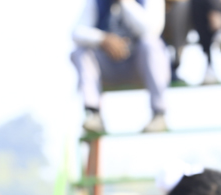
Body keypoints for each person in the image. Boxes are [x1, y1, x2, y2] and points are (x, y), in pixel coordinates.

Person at [71, 0, 169, 135]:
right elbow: (76, 32)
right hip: (108, 67)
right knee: (80, 52)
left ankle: (159, 114)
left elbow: (151, 30)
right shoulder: (96, 2)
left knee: (151, 44)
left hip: (139, 67)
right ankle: (93, 113)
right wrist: (103, 39)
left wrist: (126, 2)